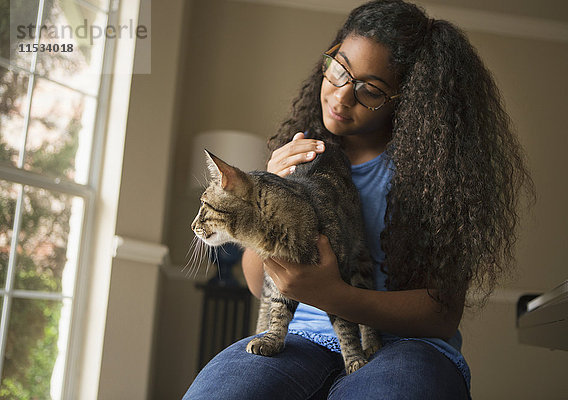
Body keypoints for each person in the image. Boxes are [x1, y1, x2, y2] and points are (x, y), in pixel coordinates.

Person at [183, 0, 533, 399]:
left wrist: (337, 297)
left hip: (405, 345)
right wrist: (264, 190)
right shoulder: (300, 156)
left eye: (370, 90)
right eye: (339, 68)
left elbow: (441, 314)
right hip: (299, 339)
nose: (341, 95)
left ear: (406, 97)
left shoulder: (439, 179)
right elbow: (258, 283)